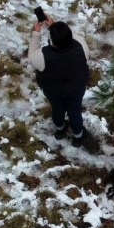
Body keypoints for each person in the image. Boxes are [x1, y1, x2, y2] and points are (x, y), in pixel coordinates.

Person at [28, 16, 91, 147]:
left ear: (52, 41)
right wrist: (56, 26)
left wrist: (36, 34)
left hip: (54, 91)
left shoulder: (42, 57)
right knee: (75, 112)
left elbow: (32, 55)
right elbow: (74, 36)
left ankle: (60, 130)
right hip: (76, 89)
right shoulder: (82, 47)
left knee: (57, 110)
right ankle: (78, 136)